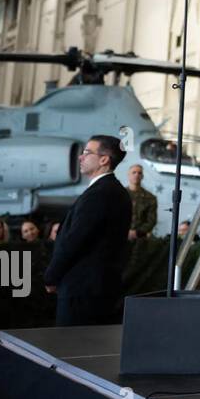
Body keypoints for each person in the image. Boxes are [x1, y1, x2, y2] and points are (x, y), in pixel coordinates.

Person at [43, 135, 132, 326]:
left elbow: (75, 240)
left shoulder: (100, 194)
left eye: (87, 152)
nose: (80, 157)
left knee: (71, 351)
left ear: (104, 159)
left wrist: (51, 276)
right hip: (99, 289)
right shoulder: (114, 191)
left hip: (83, 291)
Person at [125, 164, 158, 239]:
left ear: (142, 176)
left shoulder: (150, 198)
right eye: (134, 172)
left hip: (140, 239)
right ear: (128, 175)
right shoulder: (120, 194)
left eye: (139, 173)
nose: (136, 175)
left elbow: (151, 220)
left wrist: (136, 233)